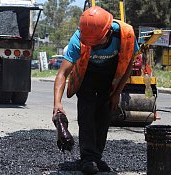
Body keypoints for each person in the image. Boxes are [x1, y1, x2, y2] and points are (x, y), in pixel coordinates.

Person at [53, 6, 139, 174]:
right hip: (87, 77)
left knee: (104, 117)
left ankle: (96, 157)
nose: (91, 44)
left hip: (109, 78)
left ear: (107, 33)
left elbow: (129, 63)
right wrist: (57, 103)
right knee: (87, 114)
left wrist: (117, 93)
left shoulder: (125, 35)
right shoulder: (78, 38)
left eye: (95, 42)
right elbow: (62, 73)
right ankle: (87, 158)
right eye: (89, 42)